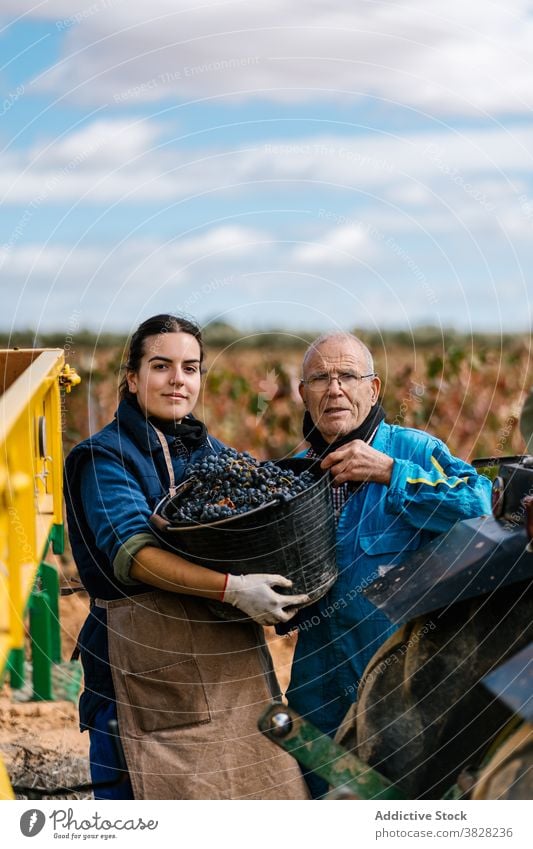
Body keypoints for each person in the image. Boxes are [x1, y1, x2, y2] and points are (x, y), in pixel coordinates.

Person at [64, 314, 310, 800]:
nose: (178, 379)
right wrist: (235, 589)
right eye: (162, 365)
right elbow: (133, 555)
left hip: (229, 671)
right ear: (132, 379)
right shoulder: (105, 457)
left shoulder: (208, 452)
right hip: (142, 680)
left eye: (191, 367)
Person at [283, 332, 492, 797]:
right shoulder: (296, 474)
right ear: (303, 394)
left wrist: (389, 472)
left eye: (347, 376)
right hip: (317, 676)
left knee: (400, 802)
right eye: (319, 378)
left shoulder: (414, 451)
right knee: (317, 795)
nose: (334, 389)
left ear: (373, 389)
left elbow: (481, 504)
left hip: (401, 679)